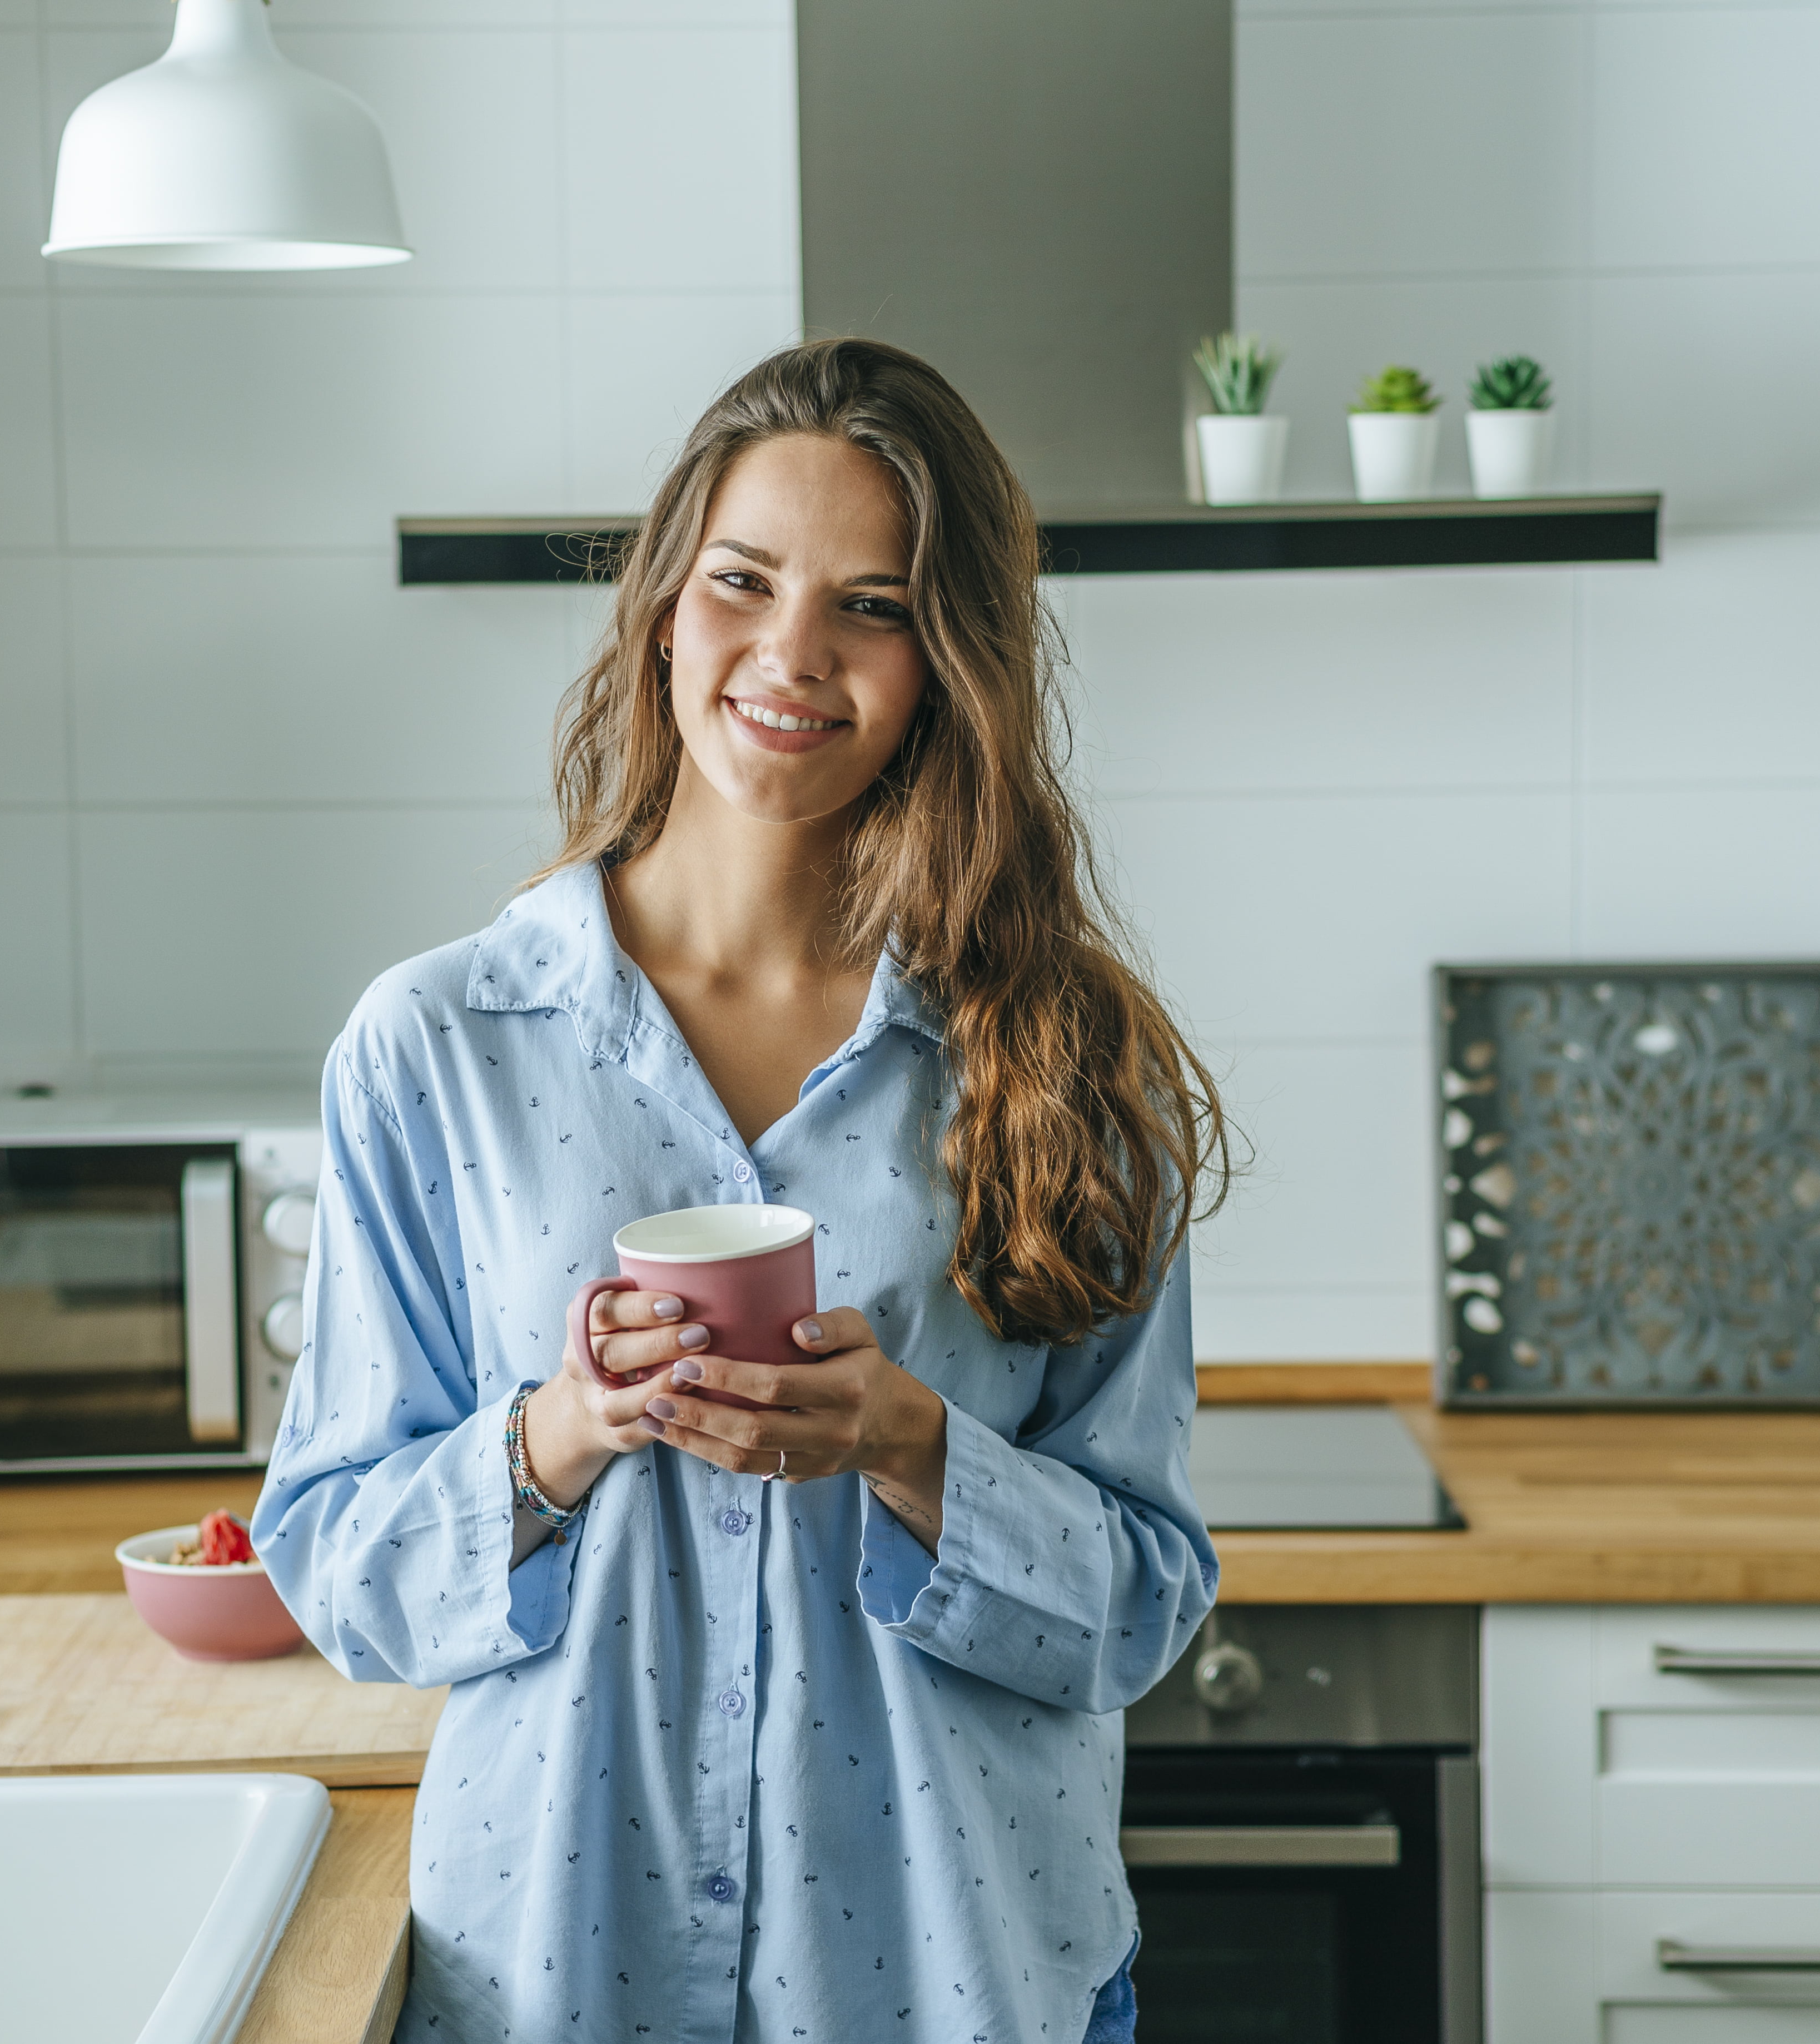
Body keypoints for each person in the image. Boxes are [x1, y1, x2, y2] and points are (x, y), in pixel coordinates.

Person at [252, 338, 1231, 2044]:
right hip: (564, 1974)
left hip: (956, 1979)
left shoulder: (1063, 1057)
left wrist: (909, 1445)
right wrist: (559, 1433)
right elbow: (335, 1565)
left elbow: (1140, 1596)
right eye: (742, 582)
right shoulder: (438, 1046)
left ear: (949, 664)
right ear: (658, 607)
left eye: (873, 604)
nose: (792, 655)